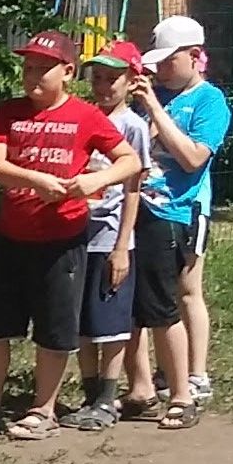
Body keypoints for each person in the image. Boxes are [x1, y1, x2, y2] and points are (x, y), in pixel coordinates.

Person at [0, 30, 134, 439]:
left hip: (61, 241)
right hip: (11, 237)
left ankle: (43, 411)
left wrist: (87, 184)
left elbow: (129, 161)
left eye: (44, 69)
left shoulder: (85, 115)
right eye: (28, 68)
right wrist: (35, 179)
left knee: (55, 328)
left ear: (67, 71)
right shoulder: (9, 112)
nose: (33, 77)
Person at [118, 14, 231, 407]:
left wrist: (154, 108)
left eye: (170, 61)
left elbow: (192, 158)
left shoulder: (209, 100)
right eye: (159, 62)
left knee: (186, 290)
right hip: (143, 207)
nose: (162, 69)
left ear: (196, 56)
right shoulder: (159, 96)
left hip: (185, 208)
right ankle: (154, 377)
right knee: (146, 295)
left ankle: (196, 374)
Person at [69, 42, 158, 427]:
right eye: (98, 78)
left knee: (110, 322)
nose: (103, 87)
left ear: (131, 81)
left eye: (112, 79)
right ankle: (90, 396)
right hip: (73, 231)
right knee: (79, 320)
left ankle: (107, 397)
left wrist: (122, 246)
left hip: (110, 235)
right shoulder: (81, 118)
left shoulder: (133, 127)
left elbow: (133, 189)